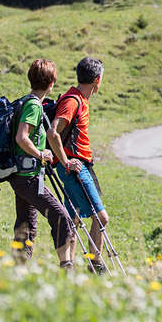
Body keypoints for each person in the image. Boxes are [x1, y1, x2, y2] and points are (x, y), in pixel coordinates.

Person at [11, 59, 77, 271]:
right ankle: (66, 268)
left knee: (26, 227)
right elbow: (22, 138)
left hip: (22, 175)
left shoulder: (27, 101)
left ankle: (19, 271)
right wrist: (41, 153)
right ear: (52, 83)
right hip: (27, 176)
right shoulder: (33, 105)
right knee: (61, 216)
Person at [51, 56, 110, 274]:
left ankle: (69, 269)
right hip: (75, 167)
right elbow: (53, 132)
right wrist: (66, 162)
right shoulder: (72, 101)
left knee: (73, 218)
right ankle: (95, 266)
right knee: (101, 217)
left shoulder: (78, 99)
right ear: (97, 80)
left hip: (77, 165)